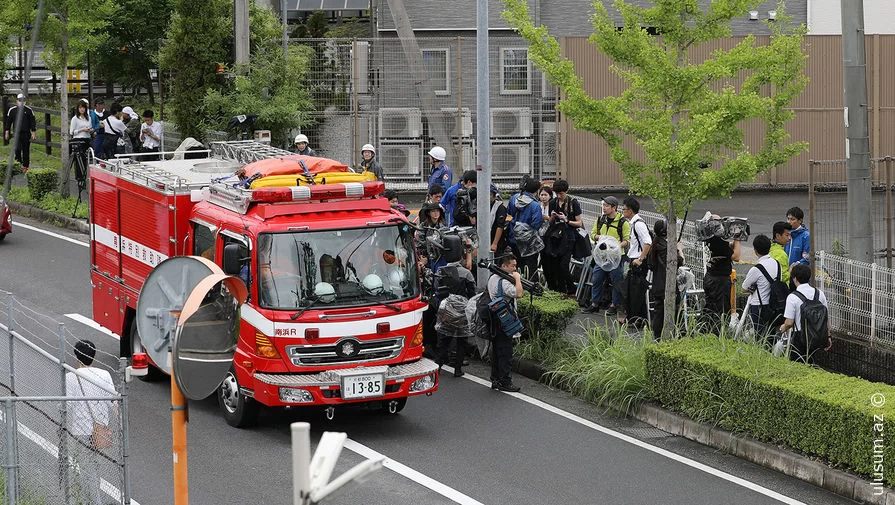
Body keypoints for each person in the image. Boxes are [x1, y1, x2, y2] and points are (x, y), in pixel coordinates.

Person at [65, 339, 116, 505]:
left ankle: (93, 501)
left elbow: (68, 404)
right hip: (100, 430)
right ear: (93, 356)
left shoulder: (71, 377)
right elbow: (112, 402)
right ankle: (94, 499)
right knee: (94, 467)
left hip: (81, 429)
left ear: (76, 356)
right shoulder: (104, 375)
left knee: (86, 469)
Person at [434, 238, 476, 377]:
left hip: (446, 308)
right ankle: (458, 369)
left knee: (444, 339)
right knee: (461, 340)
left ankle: (438, 367)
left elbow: (436, 289)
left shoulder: (440, 271)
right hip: (462, 310)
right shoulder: (466, 273)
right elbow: (472, 293)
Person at [583, 196, 630, 315]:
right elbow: (593, 234)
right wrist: (602, 238)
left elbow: (627, 240)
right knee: (597, 279)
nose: (604, 208)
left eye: (607, 206)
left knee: (616, 281)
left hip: (615, 257)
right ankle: (595, 304)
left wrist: (616, 245)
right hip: (602, 255)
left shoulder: (623, 222)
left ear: (614, 208)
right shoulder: (600, 219)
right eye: (603, 205)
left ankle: (614, 305)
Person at [779, 263, 832, 363]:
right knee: (811, 365)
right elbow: (826, 317)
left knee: (797, 365)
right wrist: (828, 336)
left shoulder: (792, 297)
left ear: (794, 279)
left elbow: (789, 323)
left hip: (800, 338)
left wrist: (782, 328)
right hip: (817, 336)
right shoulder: (819, 293)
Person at [487, 253, 524, 392]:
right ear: (503, 266)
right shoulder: (505, 282)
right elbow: (519, 293)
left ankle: (495, 379)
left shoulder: (492, 278)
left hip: (494, 319)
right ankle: (505, 382)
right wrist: (518, 279)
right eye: (512, 266)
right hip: (504, 320)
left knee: (497, 351)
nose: (515, 269)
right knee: (505, 352)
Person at [542, 179, 582, 294]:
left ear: (566, 191)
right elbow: (550, 222)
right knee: (554, 266)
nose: (559, 196)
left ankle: (571, 290)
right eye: (557, 193)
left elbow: (579, 223)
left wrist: (567, 220)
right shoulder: (553, 202)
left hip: (568, 237)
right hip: (555, 237)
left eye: (561, 193)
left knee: (563, 266)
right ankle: (560, 291)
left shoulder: (573, 202)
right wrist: (553, 217)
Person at [702, 217, 741, 332]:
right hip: (719, 280)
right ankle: (717, 335)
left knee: (710, 307)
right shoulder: (719, 241)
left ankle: (708, 332)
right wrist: (737, 238)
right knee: (721, 311)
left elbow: (728, 247)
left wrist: (734, 241)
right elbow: (736, 257)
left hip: (710, 277)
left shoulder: (709, 238)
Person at [647, 220, 684, 340]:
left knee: (658, 313)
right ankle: (672, 336)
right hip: (667, 286)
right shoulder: (665, 248)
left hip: (657, 285)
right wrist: (679, 249)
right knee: (673, 311)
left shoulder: (655, 245)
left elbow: (651, 265)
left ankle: (657, 337)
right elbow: (680, 262)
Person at [620, 196, 652, 324]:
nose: (623, 211)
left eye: (624, 209)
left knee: (635, 292)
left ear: (630, 211)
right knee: (631, 290)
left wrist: (640, 259)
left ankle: (636, 319)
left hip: (638, 261)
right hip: (634, 259)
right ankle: (634, 318)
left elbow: (648, 242)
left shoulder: (638, 224)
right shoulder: (634, 223)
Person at [741, 234, 779, 342]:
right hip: (774, 305)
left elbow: (743, 288)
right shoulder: (777, 264)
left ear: (755, 250)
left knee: (760, 337)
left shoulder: (756, 269)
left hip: (759, 306)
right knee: (771, 336)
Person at [507, 177, 544, 281]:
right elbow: (536, 223)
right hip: (529, 242)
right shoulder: (535, 205)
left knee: (517, 265)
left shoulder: (514, 199)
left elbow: (509, 213)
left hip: (514, 238)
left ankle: (517, 285)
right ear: (536, 190)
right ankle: (531, 289)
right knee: (531, 267)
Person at [4, 93, 37, 172]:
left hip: (26, 133)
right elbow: (8, 122)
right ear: (17, 101)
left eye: (23, 100)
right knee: (17, 149)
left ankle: (26, 166)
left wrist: (33, 132)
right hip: (16, 133)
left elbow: (32, 122)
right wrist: (7, 132)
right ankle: (18, 163)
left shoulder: (29, 110)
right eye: (20, 100)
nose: (22, 102)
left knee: (26, 150)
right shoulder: (12, 110)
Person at [785, 206, 810, 286]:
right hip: (785, 275)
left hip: (798, 278)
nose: (789, 222)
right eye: (788, 219)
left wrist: (794, 266)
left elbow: (807, 258)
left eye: (792, 219)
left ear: (800, 220)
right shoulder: (786, 234)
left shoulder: (806, 236)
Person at [489, 184, 508, 256]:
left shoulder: (500, 207)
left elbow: (500, 226)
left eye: (490, 195)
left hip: (495, 240)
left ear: (494, 196)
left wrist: (494, 243)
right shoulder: (480, 205)